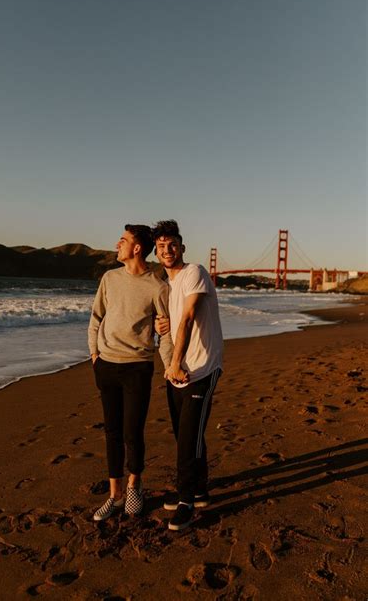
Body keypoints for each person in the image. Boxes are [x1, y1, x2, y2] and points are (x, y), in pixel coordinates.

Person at [88, 224, 173, 522]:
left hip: (137, 367)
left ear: (136, 248)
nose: (117, 244)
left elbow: (166, 331)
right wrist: (94, 354)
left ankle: (135, 487)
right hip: (107, 365)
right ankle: (114, 495)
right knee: (112, 432)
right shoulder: (109, 278)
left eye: (122, 240)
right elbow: (96, 316)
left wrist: (170, 366)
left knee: (132, 431)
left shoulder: (158, 286)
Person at [153, 220, 223, 531]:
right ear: (156, 252)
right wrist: (160, 328)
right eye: (161, 246)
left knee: (187, 438)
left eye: (172, 245)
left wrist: (177, 362)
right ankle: (199, 489)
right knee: (188, 433)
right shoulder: (167, 286)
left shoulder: (195, 272)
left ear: (182, 248)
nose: (167, 250)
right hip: (177, 368)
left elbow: (189, 318)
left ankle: (185, 501)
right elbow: (171, 323)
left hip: (201, 367)